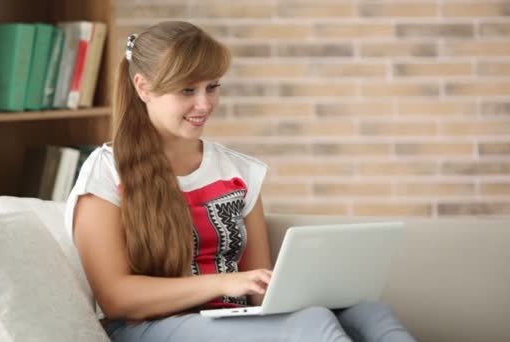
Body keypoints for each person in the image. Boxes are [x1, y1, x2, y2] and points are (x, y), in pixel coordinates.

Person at [65, 21, 416, 342]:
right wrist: (225, 282)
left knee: (371, 313)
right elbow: (115, 298)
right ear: (143, 87)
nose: (204, 103)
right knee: (312, 326)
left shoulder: (238, 171)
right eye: (187, 90)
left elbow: (259, 288)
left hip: (233, 321)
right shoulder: (107, 170)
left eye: (212, 87)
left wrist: (303, 290)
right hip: (148, 327)